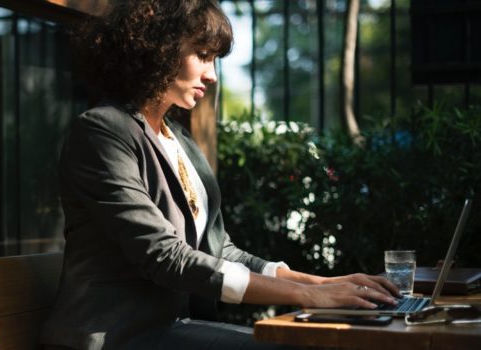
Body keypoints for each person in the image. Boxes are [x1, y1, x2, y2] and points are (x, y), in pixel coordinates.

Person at [40, 1, 400, 349]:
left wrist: (323, 283)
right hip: (114, 336)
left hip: (170, 329)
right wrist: (308, 295)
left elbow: (218, 248)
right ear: (158, 47)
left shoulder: (176, 137)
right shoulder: (103, 131)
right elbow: (164, 255)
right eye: (202, 55)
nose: (211, 75)